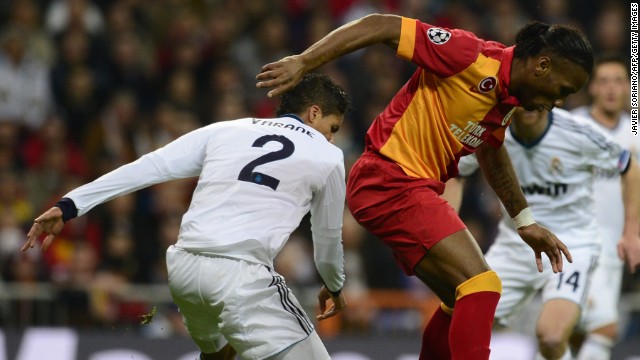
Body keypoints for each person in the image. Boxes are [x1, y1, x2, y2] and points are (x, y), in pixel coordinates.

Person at [256, 13, 592, 360]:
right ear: (542, 65)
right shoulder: (468, 55)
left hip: (407, 188)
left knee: (459, 299)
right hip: (389, 179)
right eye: (564, 89)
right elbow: (382, 25)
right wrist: (304, 61)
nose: (560, 101)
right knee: (483, 284)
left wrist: (524, 221)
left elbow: (490, 149)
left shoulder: (504, 99)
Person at [23, 73, 350, 360]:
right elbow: (327, 239)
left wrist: (69, 205)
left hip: (184, 268)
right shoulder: (329, 156)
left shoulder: (227, 129)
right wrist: (334, 285)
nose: (332, 138)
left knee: (219, 352)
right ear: (314, 112)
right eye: (332, 128)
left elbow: (150, 166)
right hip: (241, 276)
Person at [452, 107, 640, 360]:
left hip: (572, 244)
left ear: (553, 99)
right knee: (461, 322)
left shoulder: (578, 132)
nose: (531, 106)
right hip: (515, 246)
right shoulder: (492, 131)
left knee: (552, 337)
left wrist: (631, 232)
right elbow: (453, 172)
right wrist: (448, 227)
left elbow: (629, 167)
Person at [570, 55, 640, 360]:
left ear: (628, 88)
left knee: (598, 327)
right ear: (592, 88)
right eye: (604, 81)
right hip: (570, 240)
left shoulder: (634, 134)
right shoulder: (573, 124)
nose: (611, 88)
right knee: (576, 327)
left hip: (613, 244)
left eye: (618, 81)